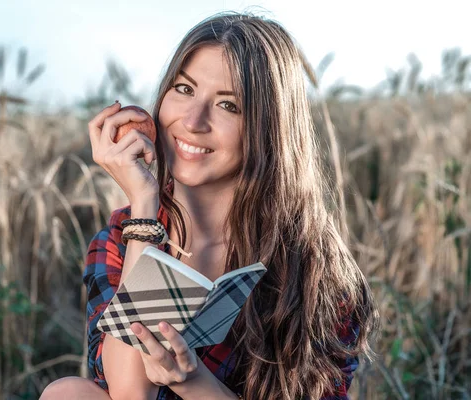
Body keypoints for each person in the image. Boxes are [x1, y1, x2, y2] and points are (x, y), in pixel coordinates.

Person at [41, 11, 378, 400]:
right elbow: (131, 395)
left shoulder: (316, 270)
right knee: (68, 394)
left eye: (228, 105)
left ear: (269, 129)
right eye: (184, 89)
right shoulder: (121, 238)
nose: (193, 120)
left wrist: (191, 380)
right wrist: (144, 206)